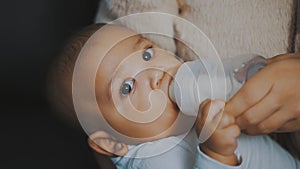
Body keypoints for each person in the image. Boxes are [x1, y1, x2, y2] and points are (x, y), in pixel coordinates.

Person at [48, 23, 300, 168]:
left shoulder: (188, 106)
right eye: (127, 87)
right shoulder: (152, 161)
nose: (155, 74)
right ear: (112, 143)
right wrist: (216, 155)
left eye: (147, 54)